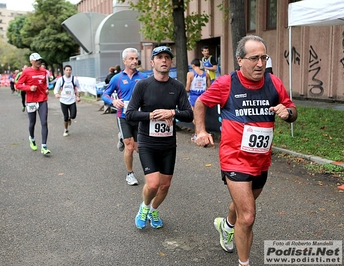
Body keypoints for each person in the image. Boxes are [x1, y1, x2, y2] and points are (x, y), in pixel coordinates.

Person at [193, 35, 297, 266]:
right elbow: (201, 103)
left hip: (261, 161)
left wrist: (287, 113)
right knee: (248, 216)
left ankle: (226, 224)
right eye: (254, 58)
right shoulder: (226, 83)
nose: (260, 63)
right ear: (240, 60)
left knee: (242, 207)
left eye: (263, 57)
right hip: (234, 159)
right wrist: (201, 131)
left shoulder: (274, 83)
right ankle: (244, 262)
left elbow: (291, 109)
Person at [125, 46, 193, 229]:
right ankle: (144, 207)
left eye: (167, 58)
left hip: (168, 144)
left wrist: (172, 112)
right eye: (159, 57)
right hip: (147, 141)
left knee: (165, 185)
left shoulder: (177, 86)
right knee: (153, 184)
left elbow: (189, 114)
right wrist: (151, 115)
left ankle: (154, 210)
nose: (164, 60)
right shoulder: (143, 85)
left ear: (171, 62)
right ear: (152, 62)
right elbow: (130, 113)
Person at [101, 48, 147, 186]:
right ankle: (130, 174)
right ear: (124, 61)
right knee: (130, 147)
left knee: (140, 148)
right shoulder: (117, 78)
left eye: (136, 58)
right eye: (131, 59)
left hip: (139, 117)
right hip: (123, 116)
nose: (134, 61)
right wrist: (113, 101)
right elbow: (105, 94)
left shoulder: (143, 77)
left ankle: (122, 136)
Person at [15, 53, 51, 156]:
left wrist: (47, 90)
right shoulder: (26, 72)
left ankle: (44, 146)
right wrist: (29, 88)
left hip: (42, 99)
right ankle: (32, 137)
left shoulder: (44, 71)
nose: (39, 62)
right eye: (36, 60)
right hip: (31, 101)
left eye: (39, 60)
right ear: (31, 61)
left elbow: (45, 84)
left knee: (44, 122)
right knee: (32, 122)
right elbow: (18, 85)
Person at [185, 58, 211, 141]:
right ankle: (198, 134)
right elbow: (209, 88)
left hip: (193, 97)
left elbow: (187, 88)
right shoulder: (206, 74)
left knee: (195, 117)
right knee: (201, 117)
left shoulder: (190, 74)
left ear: (193, 65)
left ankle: (199, 133)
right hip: (203, 97)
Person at [54, 65, 81, 137]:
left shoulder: (74, 79)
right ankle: (66, 130)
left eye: (69, 70)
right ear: (64, 71)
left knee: (73, 115)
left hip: (72, 100)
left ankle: (70, 118)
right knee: (65, 117)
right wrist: (56, 94)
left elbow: (78, 88)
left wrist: (78, 96)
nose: (68, 71)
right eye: (67, 70)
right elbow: (56, 89)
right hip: (63, 100)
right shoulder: (61, 79)